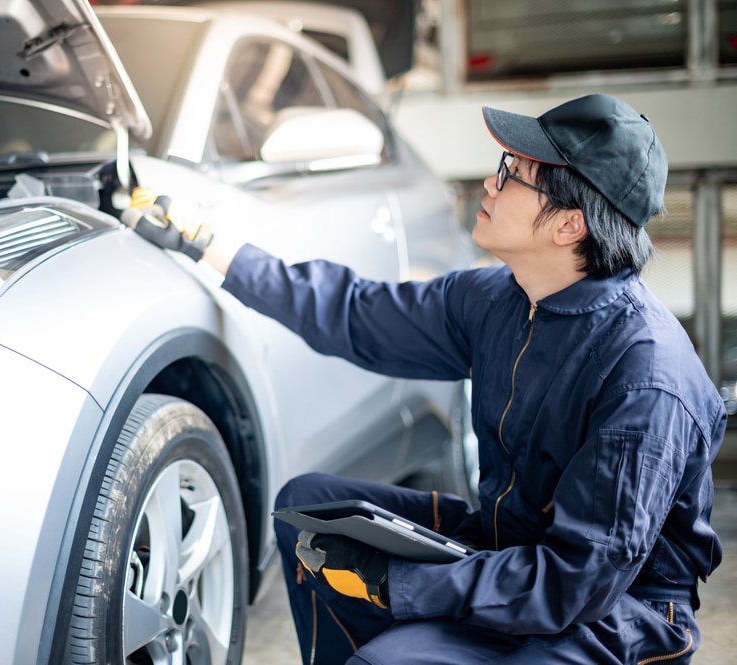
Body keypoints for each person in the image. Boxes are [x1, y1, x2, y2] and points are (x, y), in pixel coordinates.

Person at [123, 93, 725, 664]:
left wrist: (405, 586)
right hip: (509, 548)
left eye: (514, 173)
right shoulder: (500, 299)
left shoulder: (645, 377)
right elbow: (353, 313)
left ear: (570, 226)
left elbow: (575, 580)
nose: (492, 182)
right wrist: (206, 242)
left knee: (391, 658)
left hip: (617, 614)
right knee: (309, 509)